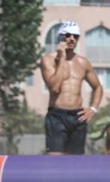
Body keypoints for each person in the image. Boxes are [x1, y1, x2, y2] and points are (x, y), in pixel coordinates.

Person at [39, 21, 103, 155]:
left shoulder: (82, 62)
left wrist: (93, 109)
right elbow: (55, 88)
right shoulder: (48, 60)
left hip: (78, 117)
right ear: (60, 38)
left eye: (76, 36)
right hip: (57, 116)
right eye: (68, 35)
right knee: (56, 162)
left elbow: (97, 87)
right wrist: (61, 58)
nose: (72, 39)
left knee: (75, 165)